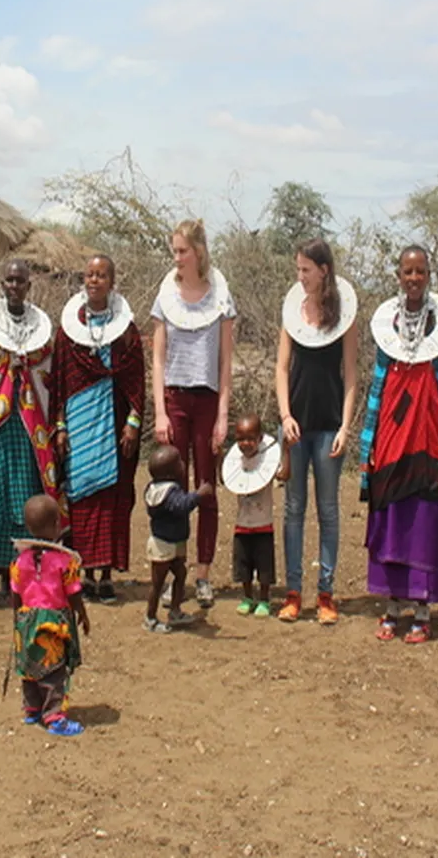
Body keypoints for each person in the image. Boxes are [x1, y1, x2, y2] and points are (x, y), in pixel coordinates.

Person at [359, 245, 438, 644]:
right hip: (390, 440)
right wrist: (369, 442)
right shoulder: (388, 327)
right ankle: (391, 607)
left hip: (427, 442)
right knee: (390, 520)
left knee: (424, 522)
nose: (414, 278)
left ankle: (422, 612)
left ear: (429, 276)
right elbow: (377, 387)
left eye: (420, 271)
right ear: (398, 276)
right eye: (407, 271)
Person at [150, 219, 234, 609]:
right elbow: (158, 357)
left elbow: (225, 362)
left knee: (206, 487)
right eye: (174, 251)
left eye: (182, 250)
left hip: (207, 398)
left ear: (198, 252)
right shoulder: (166, 292)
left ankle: (202, 573)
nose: (177, 257)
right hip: (175, 399)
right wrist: (161, 413)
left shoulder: (221, 294)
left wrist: (222, 416)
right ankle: (173, 573)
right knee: (174, 490)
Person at [274, 238, 359, 624]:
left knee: (328, 510)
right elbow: (281, 368)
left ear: (324, 270)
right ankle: (293, 593)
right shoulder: (292, 311)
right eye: (298, 269)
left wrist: (346, 425)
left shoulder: (345, 314)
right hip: (295, 426)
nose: (300, 277)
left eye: (306, 269)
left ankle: (326, 594)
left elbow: (352, 375)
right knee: (293, 510)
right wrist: (285, 415)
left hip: (329, 428)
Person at [52, 255, 145, 604]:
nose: (95, 280)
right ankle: (84, 574)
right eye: (90, 275)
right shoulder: (67, 331)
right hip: (78, 424)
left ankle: (105, 574)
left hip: (113, 424)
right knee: (81, 497)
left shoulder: (126, 330)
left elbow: (136, 379)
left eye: (102, 275)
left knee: (111, 499)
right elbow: (59, 380)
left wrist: (133, 422)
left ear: (112, 282)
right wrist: (59, 426)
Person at [0, 259, 62, 594]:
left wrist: (25, 368)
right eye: (9, 280)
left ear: (29, 286)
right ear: (2, 284)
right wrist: (6, 365)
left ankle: (28, 566)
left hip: (32, 425)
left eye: (20, 281)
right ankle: (3, 571)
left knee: (28, 492)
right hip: (0, 422)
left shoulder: (41, 331)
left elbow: (47, 375)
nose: (14, 286)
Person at [9, 494, 90, 737]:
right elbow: (73, 592)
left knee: (30, 665)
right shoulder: (64, 562)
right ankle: (54, 716)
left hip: (26, 620)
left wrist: (18, 620)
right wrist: (82, 613)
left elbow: (15, 592)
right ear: (57, 524)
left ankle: (32, 708)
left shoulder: (20, 560)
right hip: (53, 623)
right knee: (54, 670)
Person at [221, 414, 290, 617]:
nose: (246, 443)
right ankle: (247, 597)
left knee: (264, 567)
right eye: (241, 439)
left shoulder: (267, 460)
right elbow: (224, 480)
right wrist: (218, 457)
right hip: (242, 525)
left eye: (251, 438)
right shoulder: (235, 462)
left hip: (263, 525)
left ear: (260, 439)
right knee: (243, 566)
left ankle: (264, 599)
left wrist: (286, 450)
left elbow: (284, 475)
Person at [143, 445, 209, 633]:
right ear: (171, 472)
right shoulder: (170, 493)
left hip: (173, 542)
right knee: (157, 583)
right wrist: (199, 494)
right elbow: (182, 505)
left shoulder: (153, 489)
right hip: (163, 545)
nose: (183, 465)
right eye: (179, 463)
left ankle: (175, 610)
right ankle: (150, 617)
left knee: (180, 574)